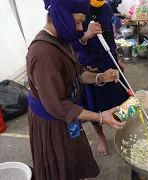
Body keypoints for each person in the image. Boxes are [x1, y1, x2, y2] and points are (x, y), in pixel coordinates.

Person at [27, 0, 126, 179]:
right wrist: (100, 117)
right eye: (78, 21)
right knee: (60, 164)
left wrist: (100, 77)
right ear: (61, 16)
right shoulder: (43, 53)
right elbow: (56, 106)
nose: (81, 28)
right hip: (52, 122)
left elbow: (78, 72)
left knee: (73, 158)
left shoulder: (61, 41)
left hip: (66, 116)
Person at [71, 0, 129, 156]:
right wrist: (86, 35)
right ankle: (101, 136)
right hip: (89, 65)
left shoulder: (105, 6)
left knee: (121, 98)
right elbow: (70, 46)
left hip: (109, 60)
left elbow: (110, 37)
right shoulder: (76, 8)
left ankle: (124, 130)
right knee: (95, 104)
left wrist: (117, 59)